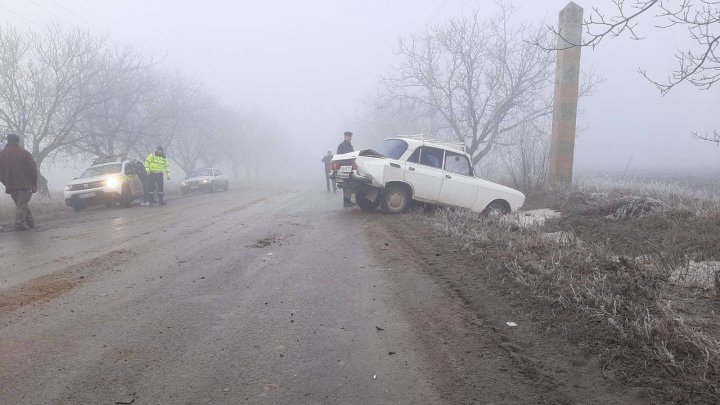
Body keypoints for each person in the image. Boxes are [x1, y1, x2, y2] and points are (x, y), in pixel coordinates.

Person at [0, 134, 38, 231]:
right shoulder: (24, 153)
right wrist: (33, 184)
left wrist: (6, 182)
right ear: (18, 141)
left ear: (8, 141)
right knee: (22, 204)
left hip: (11, 185)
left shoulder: (2, 154)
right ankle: (19, 224)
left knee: (21, 204)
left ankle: (31, 223)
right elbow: (33, 170)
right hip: (25, 184)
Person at [336, 131, 354, 207]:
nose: (350, 138)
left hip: (349, 167)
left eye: (350, 136)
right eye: (349, 136)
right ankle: (346, 202)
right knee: (346, 185)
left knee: (349, 185)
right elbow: (339, 157)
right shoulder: (341, 146)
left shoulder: (350, 145)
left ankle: (348, 201)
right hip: (344, 168)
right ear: (345, 137)